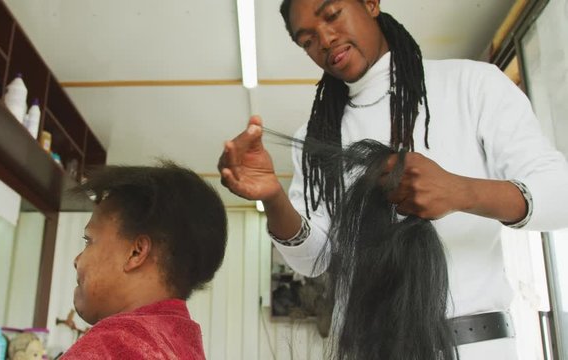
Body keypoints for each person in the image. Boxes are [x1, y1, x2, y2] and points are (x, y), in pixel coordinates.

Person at [218, 0, 568, 358]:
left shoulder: (471, 84)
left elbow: (559, 195)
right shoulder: (317, 135)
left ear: (371, 3)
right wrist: (273, 197)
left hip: (476, 346)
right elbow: (316, 258)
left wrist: (460, 192)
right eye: (306, 40)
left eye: (331, 14)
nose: (323, 38)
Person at [59, 162, 228, 360]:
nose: (77, 260)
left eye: (89, 240)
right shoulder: (182, 346)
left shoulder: (109, 348)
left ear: (136, 252)